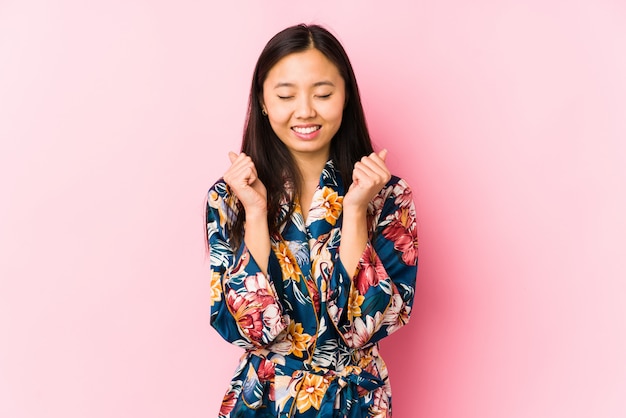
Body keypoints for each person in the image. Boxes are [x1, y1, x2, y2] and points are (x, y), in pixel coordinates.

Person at [206, 23, 418, 418]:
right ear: (264, 101)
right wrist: (255, 212)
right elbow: (254, 330)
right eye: (286, 95)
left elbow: (365, 328)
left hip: (356, 402)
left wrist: (355, 212)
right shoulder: (229, 198)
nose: (305, 111)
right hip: (264, 403)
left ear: (346, 97)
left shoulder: (389, 196)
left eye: (322, 94)